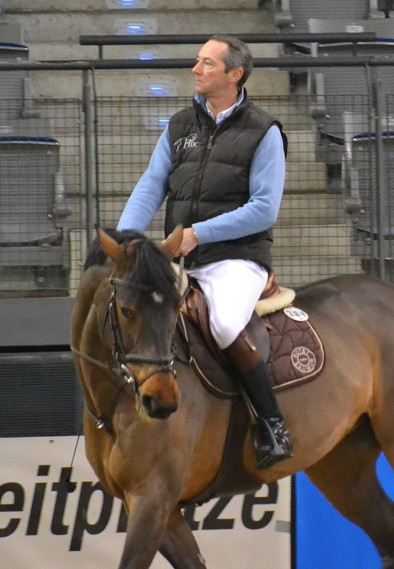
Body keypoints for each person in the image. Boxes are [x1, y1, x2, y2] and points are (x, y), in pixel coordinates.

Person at [116, 35, 292, 470]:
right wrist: (126, 239)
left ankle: (273, 424)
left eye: (207, 63)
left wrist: (199, 233)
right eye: (197, 61)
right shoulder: (178, 126)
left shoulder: (264, 131)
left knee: (226, 322)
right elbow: (151, 186)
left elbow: (264, 210)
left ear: (234, 75)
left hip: (237, 257)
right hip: (181, 258)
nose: (195, 69)